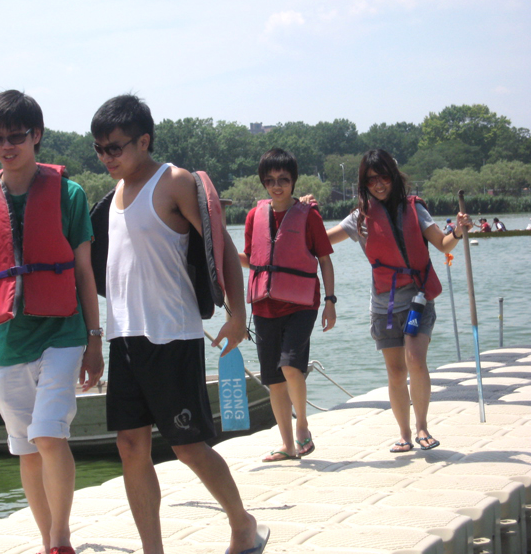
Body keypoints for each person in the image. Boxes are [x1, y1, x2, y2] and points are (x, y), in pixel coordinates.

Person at [91, 94, 268, 554]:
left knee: (188, 447)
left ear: (143, 140)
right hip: (124, 336)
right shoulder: (110, 199)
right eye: (100, 149)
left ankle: (241, 522)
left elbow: (222, 247)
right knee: (131, 447)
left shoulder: (174, 182)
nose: (107, 157)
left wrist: (237, 313)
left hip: (173, 334)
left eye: (116, 147)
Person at [0, 90, 103, 554]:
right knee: (26, 447)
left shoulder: (69, 195)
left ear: (36, 135)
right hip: (9, 342)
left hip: (63, 334)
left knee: (48, 433)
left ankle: (60, 540)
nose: (6, 146)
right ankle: (46, 538)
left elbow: (83, 272)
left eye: (16, 136)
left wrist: (95, 340)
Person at [326, 149, 472, 454]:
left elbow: (443, 243)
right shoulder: (360, 218)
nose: (379, 184)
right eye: (371, 179)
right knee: (395, 372)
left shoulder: (414, 210)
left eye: (384, 177)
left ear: (394, 176)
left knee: (415, 360)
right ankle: (404, 433)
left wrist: (457, 230)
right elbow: (321, 241)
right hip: (384, 305)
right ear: (363, 183)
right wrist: (304, 213)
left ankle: (422, 428)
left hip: (418, 299)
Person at [239, 148, 335, 462]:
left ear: (293, 181)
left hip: (301, 304)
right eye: (270, 180)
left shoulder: (310, 216)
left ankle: (303, 426)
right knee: (273, 379)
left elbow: (324, 260)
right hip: (264, 306)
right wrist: (217, 249)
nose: (277, 186)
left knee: (291, 366)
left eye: (283, 179)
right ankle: (287, 445)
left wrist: (330, 302)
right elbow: (251, 258)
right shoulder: (255, 216)